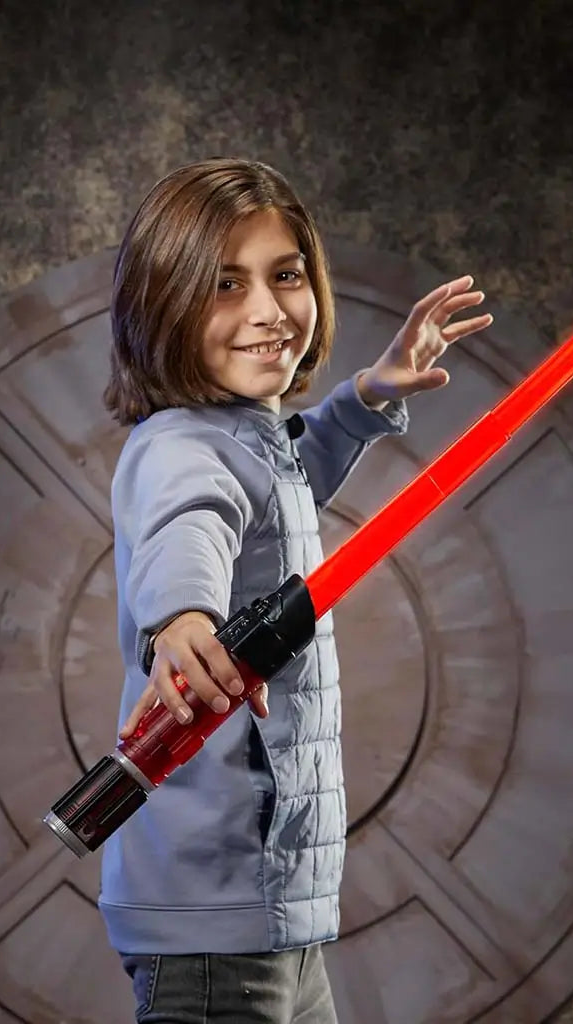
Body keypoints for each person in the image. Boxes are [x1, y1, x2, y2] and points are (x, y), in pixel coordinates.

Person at [98, 158, 492, 1023]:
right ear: (163, 303)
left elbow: (278, 489)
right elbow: (186, 531)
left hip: (274, 914)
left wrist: (364, 398)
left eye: (286, 275)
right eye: (225, 284)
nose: (269, 311)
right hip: (215, 924)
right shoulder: (178, 448)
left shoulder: (245, 436)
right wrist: (183, 622)